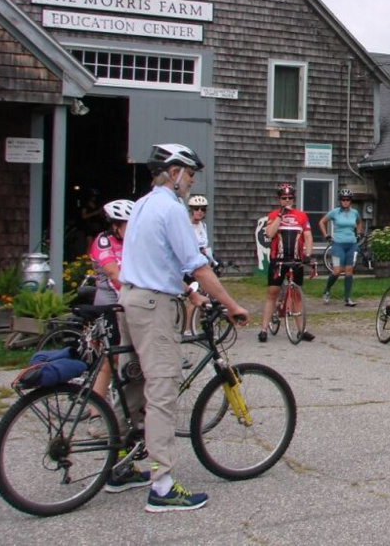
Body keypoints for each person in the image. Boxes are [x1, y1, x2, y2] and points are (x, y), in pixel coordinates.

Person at [117, 143, 249, 512]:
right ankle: (161, 486)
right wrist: (232, 304)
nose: (191, 182)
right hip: (153, 306)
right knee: (162, 390)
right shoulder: (172, 209)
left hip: (129, 298)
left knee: (131, 382)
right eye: (190, 174)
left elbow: (156, 259)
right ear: (173, 172)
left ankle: (120, 464)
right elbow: (198, 265)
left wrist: (191, 295)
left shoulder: (142, 204)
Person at [87, 199, 133, 441]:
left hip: (128, 303)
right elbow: (114, 273)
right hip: (108, 303)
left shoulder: (132, 241)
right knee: (110, 361)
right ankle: (96, 415)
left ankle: (131, 407)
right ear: (116, 225)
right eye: (128, 224)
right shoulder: (103, 241)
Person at [260, 183, 314, 342]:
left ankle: (301, 330)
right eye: (284, 198)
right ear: (279, 199)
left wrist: (308, 254)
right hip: (278, 261)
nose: (287, 201)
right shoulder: (273, 215)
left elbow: (308, 236)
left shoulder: (301, 216)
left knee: (296, 295)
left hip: (296, 259)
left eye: (290, 198)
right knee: (272, 293)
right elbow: (269, 234)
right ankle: (263, 329)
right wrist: (280, 215)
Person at [318, 188, 363, 307]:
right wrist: (326, 235)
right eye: (343, 200)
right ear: (340, 201)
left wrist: (358, 234)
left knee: (349, 270)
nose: (345, 202)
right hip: (338, 244)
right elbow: (322, 222)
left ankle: (347, 298)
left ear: (350, 201)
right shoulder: (335, 212)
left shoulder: (355, 212)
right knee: (337, 270)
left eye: (348, 200)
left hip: (351, 244)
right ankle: (327, 290)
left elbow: (359, 223)